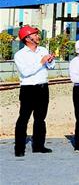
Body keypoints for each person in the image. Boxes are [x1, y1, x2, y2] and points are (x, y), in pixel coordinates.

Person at [13, 26, 55, 157]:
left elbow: (50, 67)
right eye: (35, 34)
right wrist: (41, 62)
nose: (38, 36)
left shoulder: (43, 50)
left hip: (43, 88)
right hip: (28, 89)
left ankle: (38, 146)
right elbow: (25, 72)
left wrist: (50, 61)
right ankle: (19, 148)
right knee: (23, 118)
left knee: (40, 119)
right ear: (27, 38)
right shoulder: (20, 55)